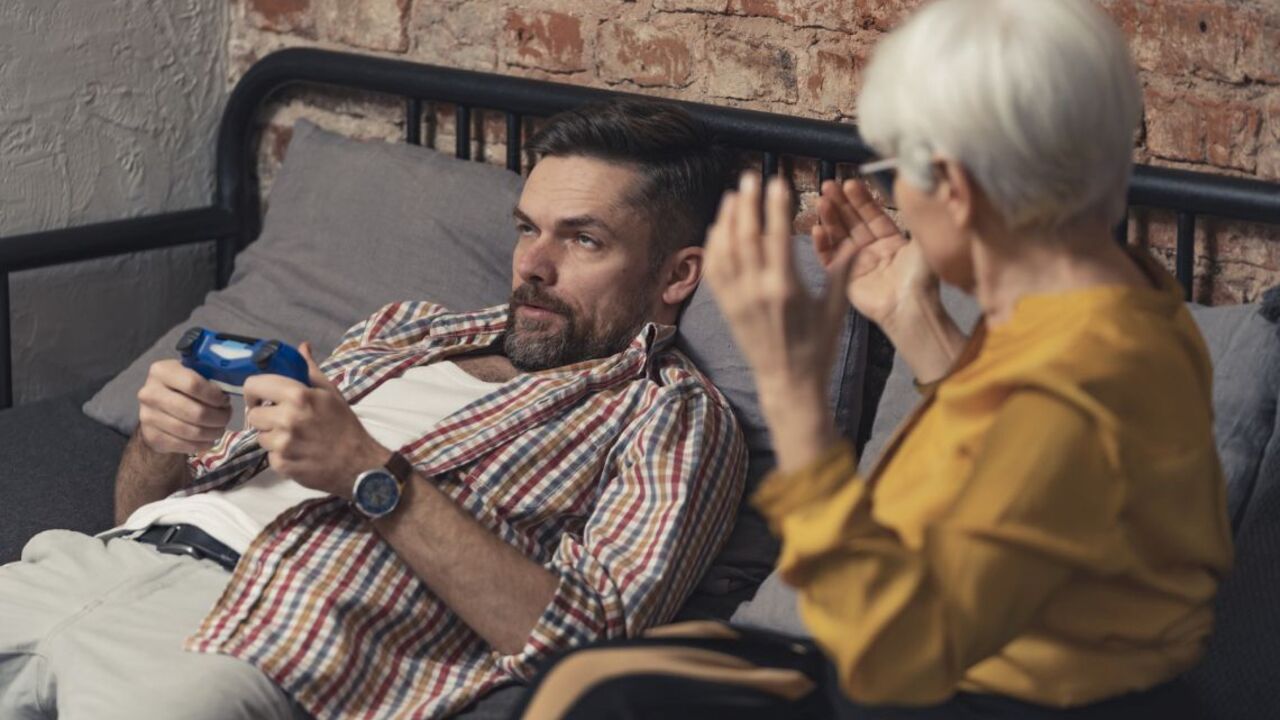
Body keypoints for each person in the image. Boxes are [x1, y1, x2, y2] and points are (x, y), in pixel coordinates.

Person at [512, 1, 1233, 718]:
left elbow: (888, 655)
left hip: (976, 695)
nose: (897, 201)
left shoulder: (1069, 386)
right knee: (600, 679)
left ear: (954, 184)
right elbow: (1018, 472)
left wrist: (793, 396)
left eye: (894, 171)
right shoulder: (1123, 305)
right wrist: (911, 319)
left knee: (600, 698)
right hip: (987, 673)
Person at [0, 99, 748, 720]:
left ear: (678, 273)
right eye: (527, 228)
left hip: (244, 637)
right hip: (93, 561)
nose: (532, 266)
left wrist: (367, 471)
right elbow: (138, 505)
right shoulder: (410, 328)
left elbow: (590, 648)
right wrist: (162, 441)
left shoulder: (669, 414)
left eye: (584, 239)